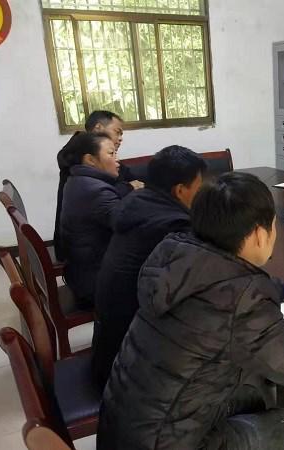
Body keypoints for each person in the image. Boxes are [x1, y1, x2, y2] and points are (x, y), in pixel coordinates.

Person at [97, 172, 284, 450]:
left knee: (254, 395)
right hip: (167, 443)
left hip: (122, 428)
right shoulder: (243, 304)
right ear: (260, 234)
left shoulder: (172, 256)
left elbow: (214, 283)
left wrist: (282, 290)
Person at [91, 146, 206, 390]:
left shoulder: (137, 201)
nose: (202, 192)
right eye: (199, 186)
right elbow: (208, 285)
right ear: (180, 190)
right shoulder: (174, 226)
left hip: (109, 348)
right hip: (133, 370)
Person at [54, 110, 143, 260]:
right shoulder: (77, 163)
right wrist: (129, 188)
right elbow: (117, 213)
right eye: (117, 132)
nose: (120, 138)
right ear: (98, 128)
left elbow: (128, 173)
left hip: (82, 246)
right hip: (87, 255)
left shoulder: (84, 162)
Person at [59, 132, 121, 309]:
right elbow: (128, 227)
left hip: (79, 273)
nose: (118, 161)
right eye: (111, 154)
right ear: (90, 160)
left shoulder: (77, 180)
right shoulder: (97, 191)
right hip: (95, 283)